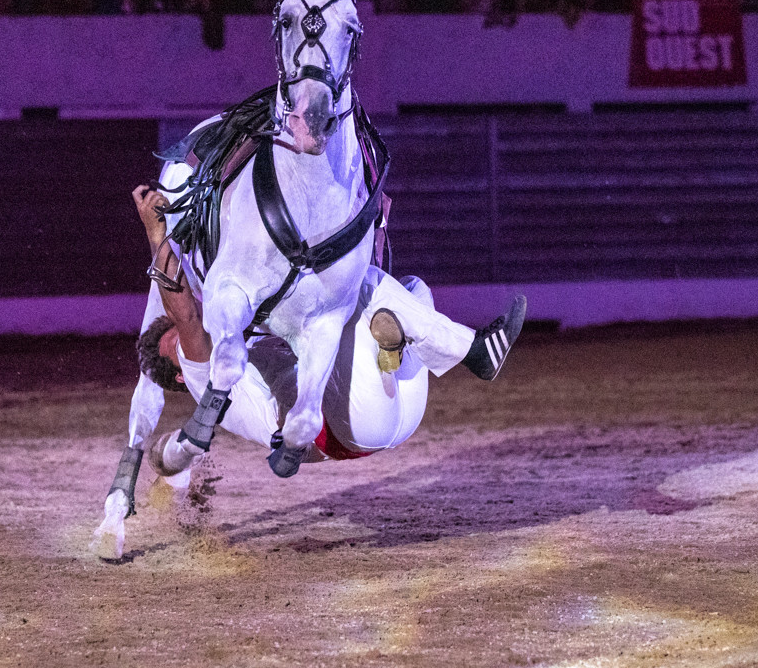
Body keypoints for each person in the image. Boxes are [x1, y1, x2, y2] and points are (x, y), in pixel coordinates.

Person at [127, 181, 526, 484]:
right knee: (365, 284)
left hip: (397, 411)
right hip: (347, 425)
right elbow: (184, 311)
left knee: (412, 289)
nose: (192, 324)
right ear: (179, 373)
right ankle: (470, 351)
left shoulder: (244, 339)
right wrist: (156, 234)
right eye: (175, 339)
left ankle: (390, 354)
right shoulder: (202, 378)